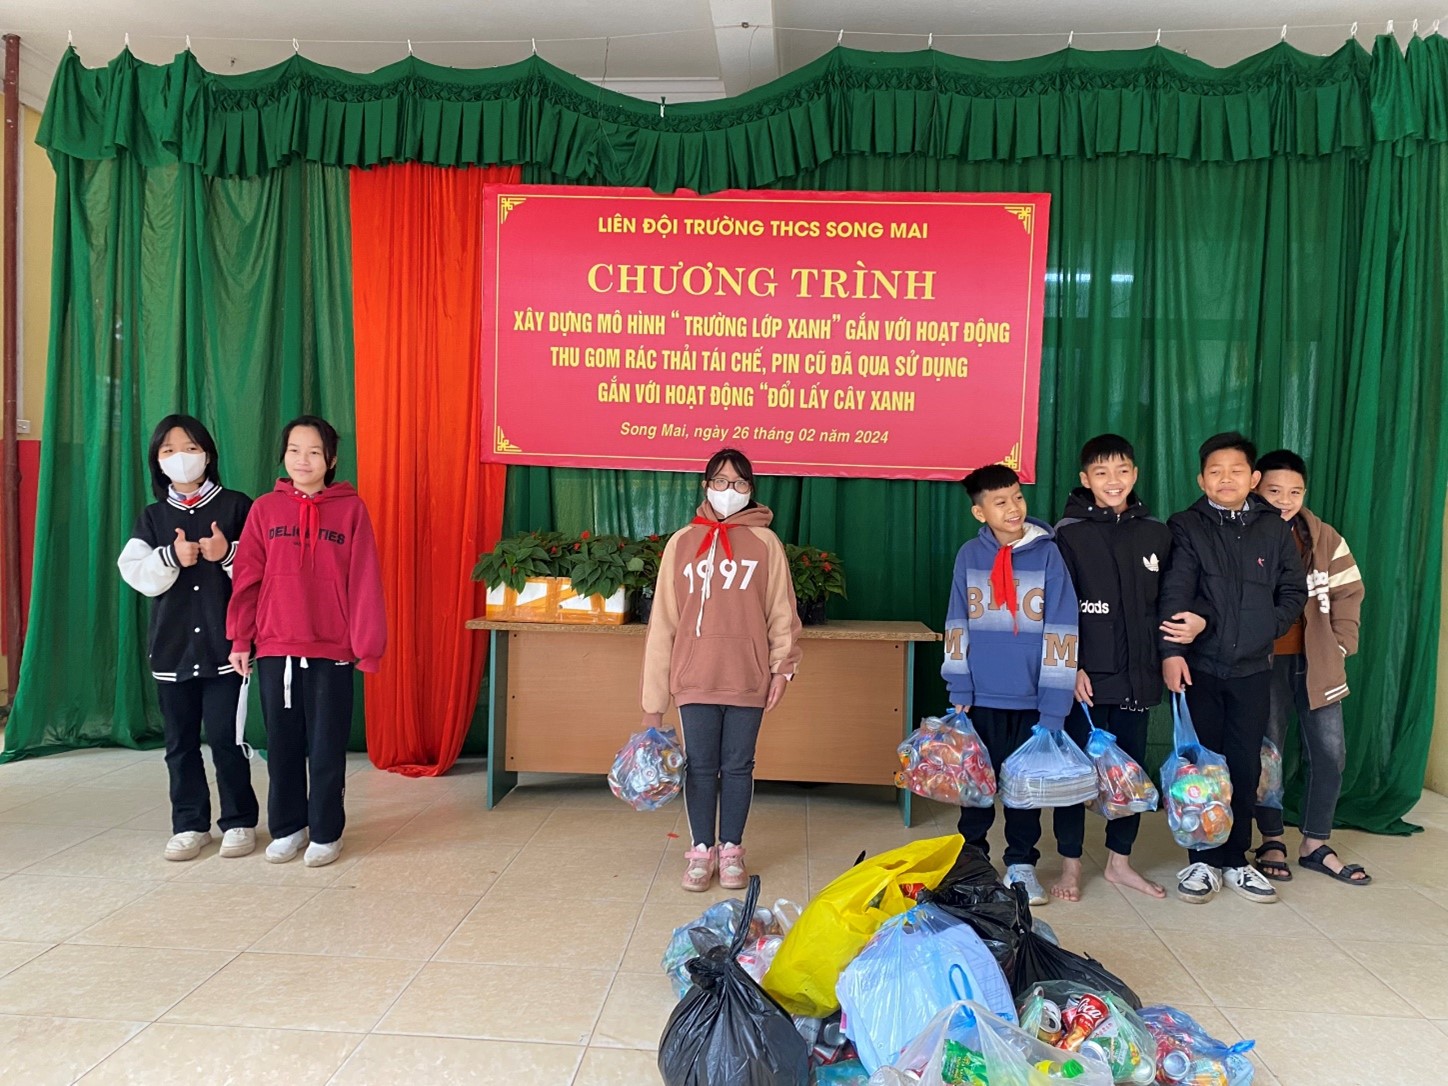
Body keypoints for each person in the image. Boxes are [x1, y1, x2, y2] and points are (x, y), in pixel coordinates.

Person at [226, 416, 386, 868]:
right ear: (283, 456)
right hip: (276, 646)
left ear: (330, 460)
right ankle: (288, 827)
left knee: (327, 746)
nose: (303, 460)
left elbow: (364, 581)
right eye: (294, 450)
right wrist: (240, 638)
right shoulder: (265, 510)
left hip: (331, 649)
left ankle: (326, 831)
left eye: (314, 452)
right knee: (282, 744)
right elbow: (247, 579)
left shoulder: (352, 511)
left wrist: (367, 646)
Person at [641, 449, 801, 892]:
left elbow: (782, 613)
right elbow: (663, 624)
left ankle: (731, 850)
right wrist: (653, 704)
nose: (729, 491)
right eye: (721, 481)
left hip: (747, 678)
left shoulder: (767, 544)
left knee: (738, 766)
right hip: (694, 678)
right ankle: (700, 851)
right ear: (706, 486)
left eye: (739, 483)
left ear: (751, 490)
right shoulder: (681, 543)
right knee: (699, 766)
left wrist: (782, 670)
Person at [1158, 432, 1307, 905]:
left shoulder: (1274, 528)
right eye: (1216, 471)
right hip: (1200, 666)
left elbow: (1293, 592)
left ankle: (1236, 859)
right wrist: (1171, 653)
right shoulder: (1186, 525)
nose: (1226, 479)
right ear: (1201, 479)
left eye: (1236, 471)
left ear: (1253, 478)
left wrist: (1263, 629)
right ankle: (1202, 860)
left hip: (1252, 669)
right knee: (1202, 767)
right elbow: (1175, 591)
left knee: (1244, 765)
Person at [1051, 434, 1198, 901]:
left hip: (1139, 677)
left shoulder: (1156, 533)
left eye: (1121, 471)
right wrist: (1071, 666)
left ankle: (1120, 863)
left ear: (1134, 474)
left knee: (1129, 776)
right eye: (1101, 472)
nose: (1112, 481)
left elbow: (1170, 600)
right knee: (1075, 776)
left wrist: (1168, 655)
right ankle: (1071, 866)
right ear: (1085, 479)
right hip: (1087, 682)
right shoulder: (1067, 533)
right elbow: (1058, 606)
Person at [118, 415, 259, 861]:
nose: (181, 457)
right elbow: (136, 573)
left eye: (190, 448)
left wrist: (227, 553)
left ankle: (239, 820)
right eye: (169, 450)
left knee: (227, 739)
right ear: (157, 462)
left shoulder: (236, 506)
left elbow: (263, 572)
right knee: (179, 746)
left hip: (226, 649)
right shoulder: (153, 516)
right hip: (172, 648)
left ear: (208, 454)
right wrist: (171, 556)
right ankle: (189, 824)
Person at [943, 463, 1079, 907]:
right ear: (979, 512)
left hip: (1032, 699)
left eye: (1017, 497)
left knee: (1025, 789)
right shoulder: (969, 555)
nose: (1013, 507)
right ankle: (972, 861)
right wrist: (959, 686)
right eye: (1000, 502)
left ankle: (1021, 863)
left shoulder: (1048, 555)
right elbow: (956, 621)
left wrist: (1054, 703)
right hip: (980, 698)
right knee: (975, 787)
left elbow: (1063, 628)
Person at [1250, 450, 1370, 886]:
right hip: (1263, 663)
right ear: (1255, 488)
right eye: (1275, 491)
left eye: (1295, 492)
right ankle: (1271, 840)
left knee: (1331, 752)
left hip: (1318, 661)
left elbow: (1349, 592)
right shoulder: (1246, 534)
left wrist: (1339, 645)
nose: (1285, 500)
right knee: (1269, 754)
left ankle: (1316, 842)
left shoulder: (1325, 538)